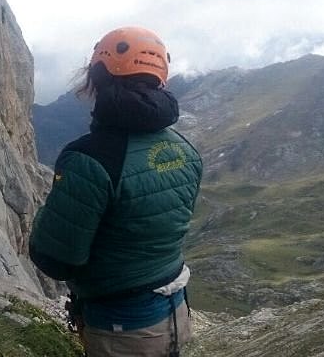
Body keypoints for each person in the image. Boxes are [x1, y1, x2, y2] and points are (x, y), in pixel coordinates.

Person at [28, 26, 203, 357]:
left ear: (99, 75)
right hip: (176, 311)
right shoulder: (186, 150)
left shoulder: (90, 157)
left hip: (123, 328)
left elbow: (55, 259)